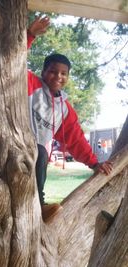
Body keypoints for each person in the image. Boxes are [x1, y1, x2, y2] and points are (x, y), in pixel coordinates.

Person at [27, 16, 113, 222]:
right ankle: (39, 206)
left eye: (64, 73)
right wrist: (30, 35)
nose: (58, 76)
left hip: (36, 157)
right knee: (38, 150)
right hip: (17, 143)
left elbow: (75, 139)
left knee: (40, 156)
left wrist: (94, 163)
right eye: (53, 71)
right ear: (43, 72)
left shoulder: (63, 109)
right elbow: (11, 60)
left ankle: (36, 210)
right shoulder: (30, 84)